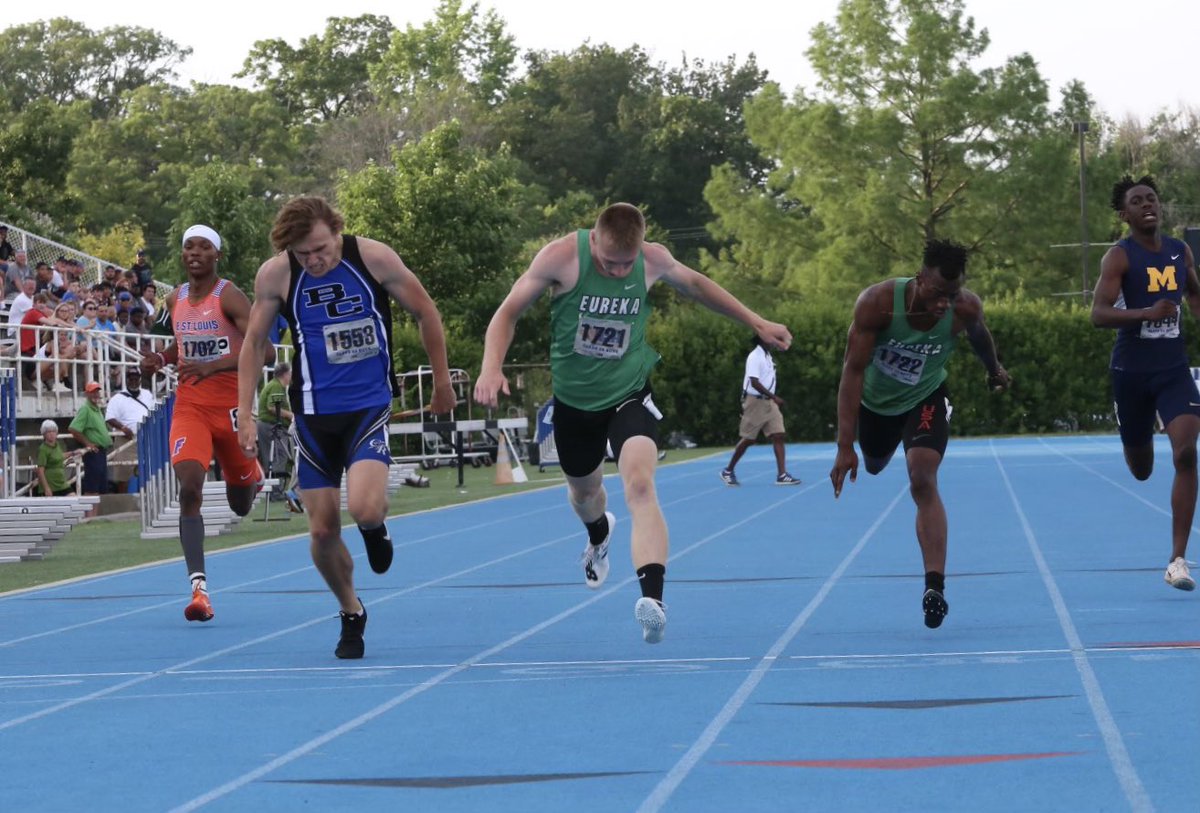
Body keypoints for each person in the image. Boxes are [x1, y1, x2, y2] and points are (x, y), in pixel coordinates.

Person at [474, 203, 793, 644]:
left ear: (640, 247)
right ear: (595, 242)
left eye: (627, 263)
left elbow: (698, 286)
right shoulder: (561, 257)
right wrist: (492, 366)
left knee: (640, 486)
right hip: (575, 404)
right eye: (609, 262)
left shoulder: (653, 259)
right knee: (584, 494)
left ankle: (653, 603)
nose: (620, 270)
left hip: (629, 394)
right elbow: (507, 312)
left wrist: (756, 322)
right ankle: (598, 532)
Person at [237, 196, 455, 659]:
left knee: (364, 508)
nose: (314, 260)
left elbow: (426, 311)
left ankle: (377, 530)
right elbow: (255, 341)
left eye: (320, 248)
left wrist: (441, 381)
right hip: (314, 415)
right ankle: (351, 611)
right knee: (321, 533)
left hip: (367, 406)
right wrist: (243, 412)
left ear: (337, 230)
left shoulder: (372, 257)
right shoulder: (276, 275)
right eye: (303, 254)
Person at [829, 238, 1010, 629]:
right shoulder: (876, 303)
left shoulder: (964, 307)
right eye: (937, 293)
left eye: (953, 293)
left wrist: (993, 369)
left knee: (923, 478)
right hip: (876, 406)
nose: (945, 303)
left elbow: (980, 335)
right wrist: (845, 446)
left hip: (925, 398)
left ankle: (935, 588)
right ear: (920, 278)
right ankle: (874, 448)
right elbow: (853, 372)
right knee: (875, 464)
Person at [139, 225, 267, 624]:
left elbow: (262, 348)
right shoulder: (175, 296)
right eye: (189, 247)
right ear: (182, 256)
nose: (195, 252)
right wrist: (160, 360)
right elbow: (181, 342)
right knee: (190, 487)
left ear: (216, 256)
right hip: (190, 406)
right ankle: (200, 591)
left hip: (231, 408)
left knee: (240, 504)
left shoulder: (228, 295)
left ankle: (251, 474)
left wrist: (212, 366)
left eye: (204, 247)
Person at [1091, 175, 1200, 592]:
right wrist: (1144, 314)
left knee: (1187, 453)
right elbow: (1098, 314)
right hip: (1131, 373)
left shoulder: (1179, 250)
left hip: (1173, 370)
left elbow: (1194, 293)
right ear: (1125, 215)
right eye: (1137, 201)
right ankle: (1136, 431)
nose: (1147, 204)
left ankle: (1177, 559)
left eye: (1152, 198)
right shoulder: (1119, 258)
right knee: (1141, 469)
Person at [720, 335, 802, 486]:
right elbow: (754, 382)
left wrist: (772, 398)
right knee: (749, 439)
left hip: (768, 402)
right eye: (771, 339)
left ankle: (782, 474)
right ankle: (728, 470)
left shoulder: (767, 356)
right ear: (762, 340)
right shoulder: (754, 356)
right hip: (755, 401)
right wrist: (774, 396)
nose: (773, 342)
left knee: (778, 434)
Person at [255, 361, 297, 505]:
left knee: (270, 458)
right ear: (285, 374)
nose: (291, 376)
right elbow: (272, 407)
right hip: (271, 426)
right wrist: (291, 415)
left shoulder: (273, 385)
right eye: (290, 373)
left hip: (266, 425)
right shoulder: (276, 387)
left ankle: (272, 490)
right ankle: (276, 490)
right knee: (279, 456)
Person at [68, 382, 113, 497]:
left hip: (101, 451)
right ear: (87, 394)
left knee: (100, 486)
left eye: (97, 392)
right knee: (92, 486)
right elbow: (73, 428)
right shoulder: (85, 409)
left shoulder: (97, 409)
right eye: (92, 392)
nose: (95, 394)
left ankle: (95, 514)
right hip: (94, 452)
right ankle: (90, 515)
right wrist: (88, 444)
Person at [36, 419, 76, 497]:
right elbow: (40, 471)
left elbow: (59, 456)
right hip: (51, 484)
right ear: (44, 434)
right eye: (48, 432)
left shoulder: (57, 445)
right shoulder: (43, 449)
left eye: (53, 431)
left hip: (61, 482)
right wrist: (46, 488)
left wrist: (73, 453)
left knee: (73, 499)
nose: (51, 434)